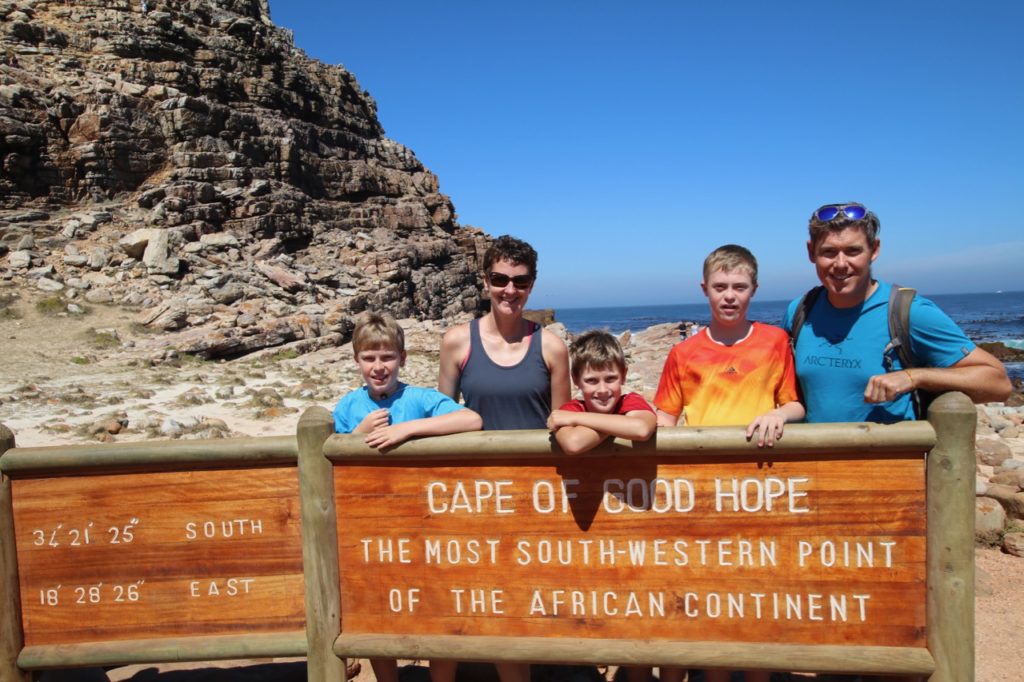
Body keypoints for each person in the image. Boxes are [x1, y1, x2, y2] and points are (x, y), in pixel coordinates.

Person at [652, 244, 804, 682]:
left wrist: (777, 415)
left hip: (761, 486)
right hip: (702, 491)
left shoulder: (775, 342)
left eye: (739, 287)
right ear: (705, 290)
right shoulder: (684, 353)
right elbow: (666, 416)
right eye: (721, 287)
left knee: (757, 592)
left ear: (755, 289)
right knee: (708, 588)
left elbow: (794, 404)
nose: (730, 296)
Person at [437, 234, 570, 682]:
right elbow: (443, 418)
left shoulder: (551, 347)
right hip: (473, 494)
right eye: (499, 279)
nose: (509, 290)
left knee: (525, 595)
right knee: (480, 592)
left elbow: (565, 421)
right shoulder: (457, 342)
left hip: (536, 496)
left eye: (520, 281)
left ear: (532, 285)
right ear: (485, 280)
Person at [333, 312, 482, 682]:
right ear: (356, 361)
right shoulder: (348, 408)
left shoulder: (419, 398)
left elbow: (471, 421)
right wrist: (359, 436)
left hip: (425, 526)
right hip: (373, 529)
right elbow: (333, 457)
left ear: (403, 358)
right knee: (378, 612)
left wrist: (408, 430)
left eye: (387, 357)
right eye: (369, 358)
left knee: (437, 609)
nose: (379, 366)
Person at [784, 202, 1011, 424]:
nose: (841, 264)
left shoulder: (910, 312)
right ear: (811, 252)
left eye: (853, 251)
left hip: (891, 459)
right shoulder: (801, 310)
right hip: (811, 458)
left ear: (874, 250)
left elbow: (999, 383)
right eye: (829, 252)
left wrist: (914, 377)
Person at [547, 330, 656, 456]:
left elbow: (641, 429)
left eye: (610, 379)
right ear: (576, 380)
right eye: (591, 380)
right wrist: (622, 425)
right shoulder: (572, 409)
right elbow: (573, 443)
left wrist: (575, 419)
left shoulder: (630, 401)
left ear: (624, 375)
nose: (603, 390)